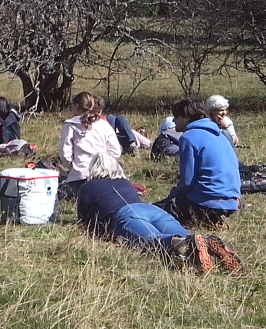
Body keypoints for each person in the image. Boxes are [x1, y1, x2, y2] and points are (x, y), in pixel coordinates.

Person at [77, 154, 242, 274]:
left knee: (154, 242)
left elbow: (84, 222)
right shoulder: (126, 183)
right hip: (151, 209)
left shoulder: (87, 187)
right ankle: (208, 243)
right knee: (186, 236)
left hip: (125, 215)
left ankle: (188, 246)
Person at [156, 97, 241, 228]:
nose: (173, 121)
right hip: (232, 201)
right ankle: (213, 220)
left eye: (176, 117)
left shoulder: (189, 137)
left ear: (185, 117)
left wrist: (172, 195)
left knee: (155, 212)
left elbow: (187, 182)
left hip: (206, 201)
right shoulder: (223, 134)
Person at [58, 92, 121, 196]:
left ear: (77, 106)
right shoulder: (104, 124)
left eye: (72, 106)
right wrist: (104, 166)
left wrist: (73, 168)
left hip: (80, 177)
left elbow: (65, 153)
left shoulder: (70, 125)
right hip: (104, 177)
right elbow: (116, 151)